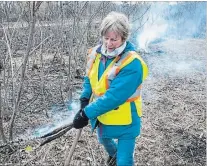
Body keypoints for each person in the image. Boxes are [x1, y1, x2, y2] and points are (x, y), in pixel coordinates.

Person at [73, 11, 148, 166]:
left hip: (126, 120)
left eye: (114, 39)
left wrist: (86, 113)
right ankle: (114, 155)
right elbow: (90, 77)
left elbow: (114, 97)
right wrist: (84, 98)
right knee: (104, 140)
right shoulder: (96, 53)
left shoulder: (132, 64)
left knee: (124, 161)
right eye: (106, 38)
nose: (108, 43)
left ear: (124, 38)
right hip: (103, 117)